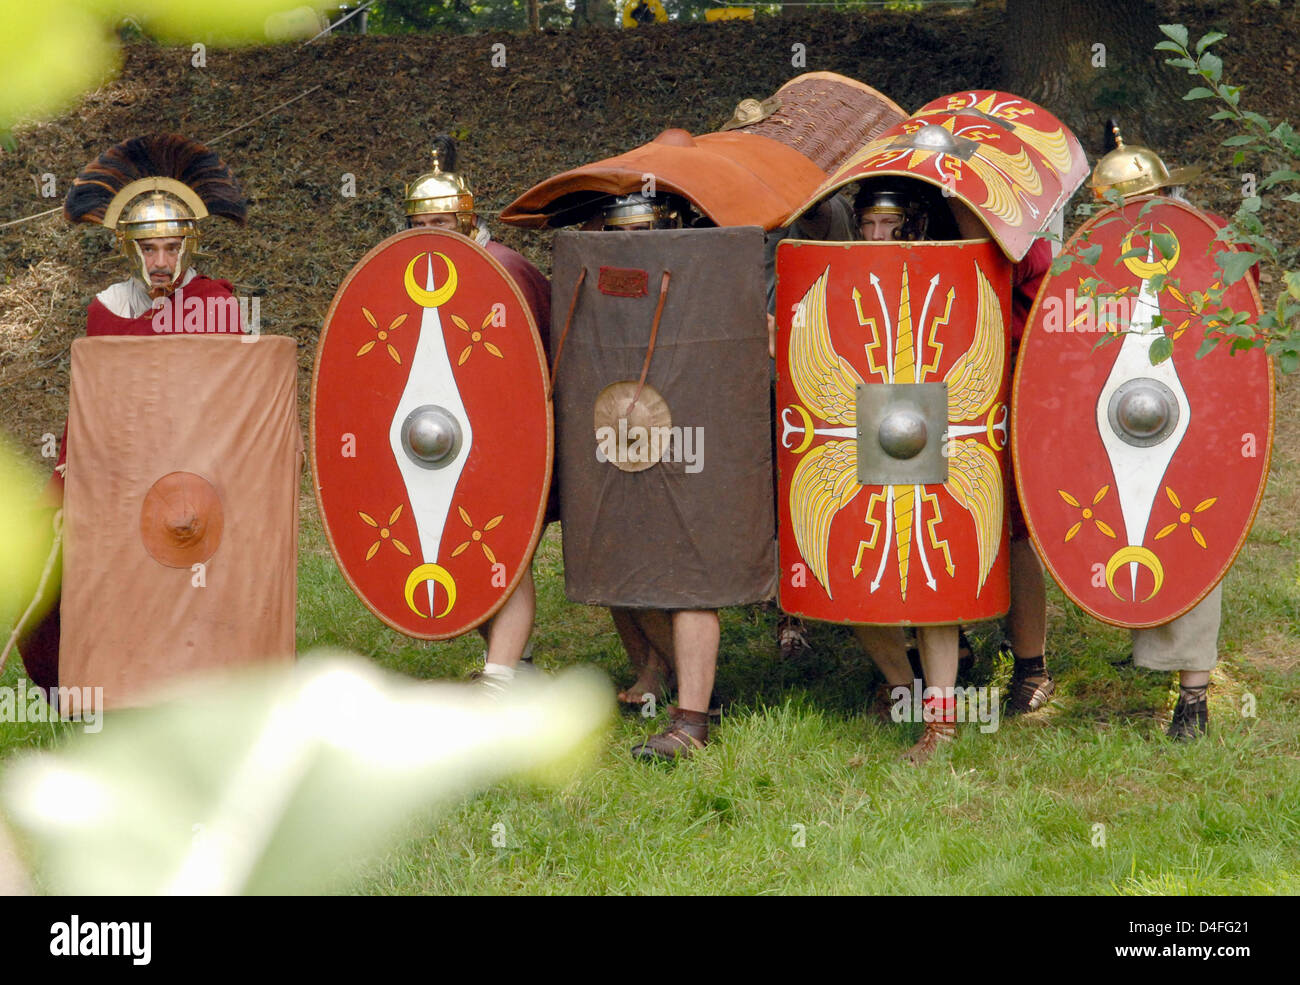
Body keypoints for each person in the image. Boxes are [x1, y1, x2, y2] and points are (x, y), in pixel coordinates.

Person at [14, 133, 248, 696]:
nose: (160, 261)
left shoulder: (216, 303)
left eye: (170, 248)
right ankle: (100, 686)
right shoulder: (108, 310)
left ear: (188, 245)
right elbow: (91, 408)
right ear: (130, 249)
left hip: (195, 473)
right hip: (119, 474)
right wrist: (68, 489)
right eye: (149, 249)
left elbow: (233, 403)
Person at [842, 180, 1055, 761]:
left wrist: (965, 197)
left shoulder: (985, 234)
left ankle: (1027, 666)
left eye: (892, 222)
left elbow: (1013, 269)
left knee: (1001, 532)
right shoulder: (845, 272)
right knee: (862, 550)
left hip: (980, 403)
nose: (879, 234)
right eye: (869, 223)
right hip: (878, 425)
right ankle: (911, 683)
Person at [1089, 127, 1230, 741]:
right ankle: (1149, 634)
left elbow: (1228, 345)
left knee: (1195, 545)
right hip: (1123, 415)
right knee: (1133, 525)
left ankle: (1194, 696)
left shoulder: (1206, 249)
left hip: (1197, 414)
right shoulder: (1104, 259)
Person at [403, 135, 553, 694]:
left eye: (444, 224)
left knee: (504, 550)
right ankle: (519, 664)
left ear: (467, 221)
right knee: (463, 548)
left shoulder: (505, 269)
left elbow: (533, 360)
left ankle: (501, 679)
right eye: (423, 225)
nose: (433, 236)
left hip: (507, 438)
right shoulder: (413, 281)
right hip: (447, 439)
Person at [586, 191, 723, 761]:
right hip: (623, 434)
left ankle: (694, 715)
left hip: (693, 444)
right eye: (620, 236)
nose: (630, 247)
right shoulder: (602, 296)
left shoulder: (704, 283)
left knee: (689, 575)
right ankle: (659, 669)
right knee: (620, 555)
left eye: (642, 233)